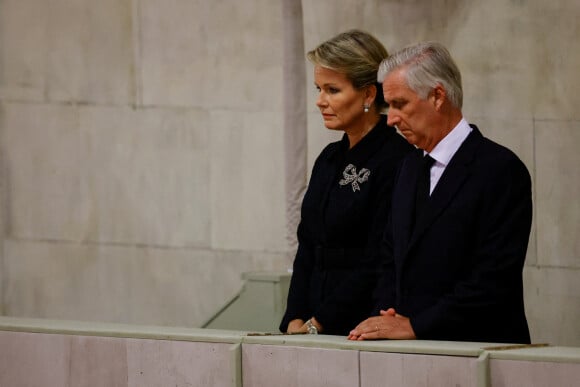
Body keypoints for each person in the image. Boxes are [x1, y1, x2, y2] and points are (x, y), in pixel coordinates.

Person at [348, 41, 533, 344]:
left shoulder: (500, 169)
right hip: (409, 354)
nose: (390, 119)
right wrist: (386, 317)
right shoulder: (407, 168)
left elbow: (493, 279)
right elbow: (388, 259)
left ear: (436, 97)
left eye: (399, 104)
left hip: (480, 351)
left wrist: (417, 325)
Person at [280, 30, 414, 336]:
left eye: (332, 90)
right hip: (311, 322)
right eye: (318, 88)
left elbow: (379, 257)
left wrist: (320, 322)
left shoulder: (397, 159)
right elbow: (308, 247)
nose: (319, 101)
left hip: (363, 325)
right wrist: (295, 316)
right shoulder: (329, 158)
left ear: (368, 95)